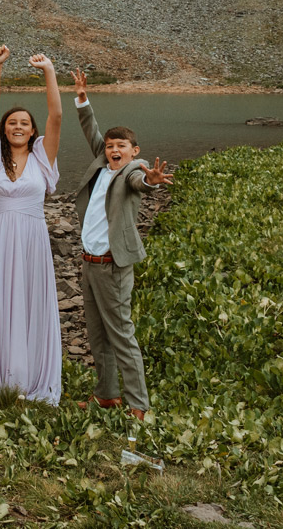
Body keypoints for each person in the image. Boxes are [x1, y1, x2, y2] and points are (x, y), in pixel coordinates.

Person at [0, 46, 63, 404]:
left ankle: (28, 378)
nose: (17, 127)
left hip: (33, 240)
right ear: (4, 130)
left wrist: (49, 70)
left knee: (29, 303)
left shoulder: (43, 158)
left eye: (24, 123)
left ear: (32, 130)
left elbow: (56, 115)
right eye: (11, 123)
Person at [71, 70, 173, 421]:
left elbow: (141, 181)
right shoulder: (102, 163)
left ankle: (138, 405)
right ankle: (106, 395)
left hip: (112, 265)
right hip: (89, 263)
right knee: (97, 334)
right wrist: (82, 98)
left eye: (122, 147)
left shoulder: (133, 170)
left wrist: (151, 181)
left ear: (135, 151)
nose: (114, 150)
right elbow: (92, 130)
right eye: (111, 146)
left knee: (122, 335)